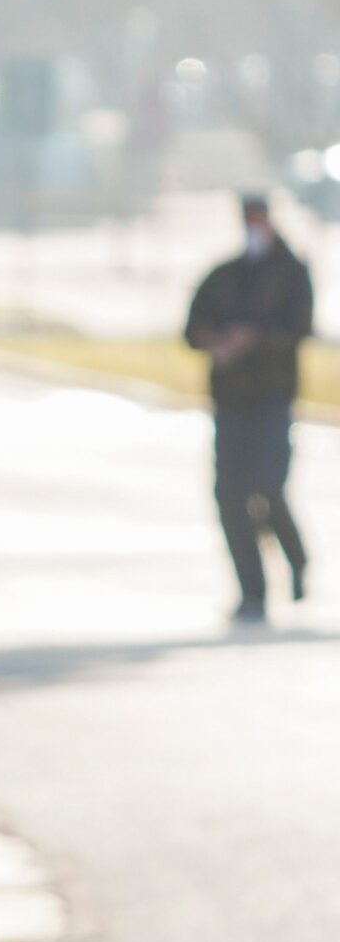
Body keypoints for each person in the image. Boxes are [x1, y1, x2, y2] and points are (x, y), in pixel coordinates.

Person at [185, 190, 315, 623]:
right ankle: (252, 592)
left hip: (272, 397)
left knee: (268, 485)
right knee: (230, 496)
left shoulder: (290, 272)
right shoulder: (225, 274)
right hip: (231, 400)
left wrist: (255, 336)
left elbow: (299, 325)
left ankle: (296, 559)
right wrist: (216, 341)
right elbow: (192, 327)